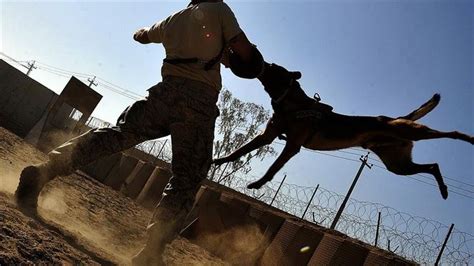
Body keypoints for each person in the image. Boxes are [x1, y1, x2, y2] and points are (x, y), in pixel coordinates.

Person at [15, 0, 262, 264]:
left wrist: (147, 32)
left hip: (164, 95)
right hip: (198, 105)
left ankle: (43, 171)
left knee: (117, 134)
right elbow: (245, 52)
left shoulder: (172, 21)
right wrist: (244, 60)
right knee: (187, 177)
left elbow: (142, 36)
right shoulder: (220, 10)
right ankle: (152, 250)